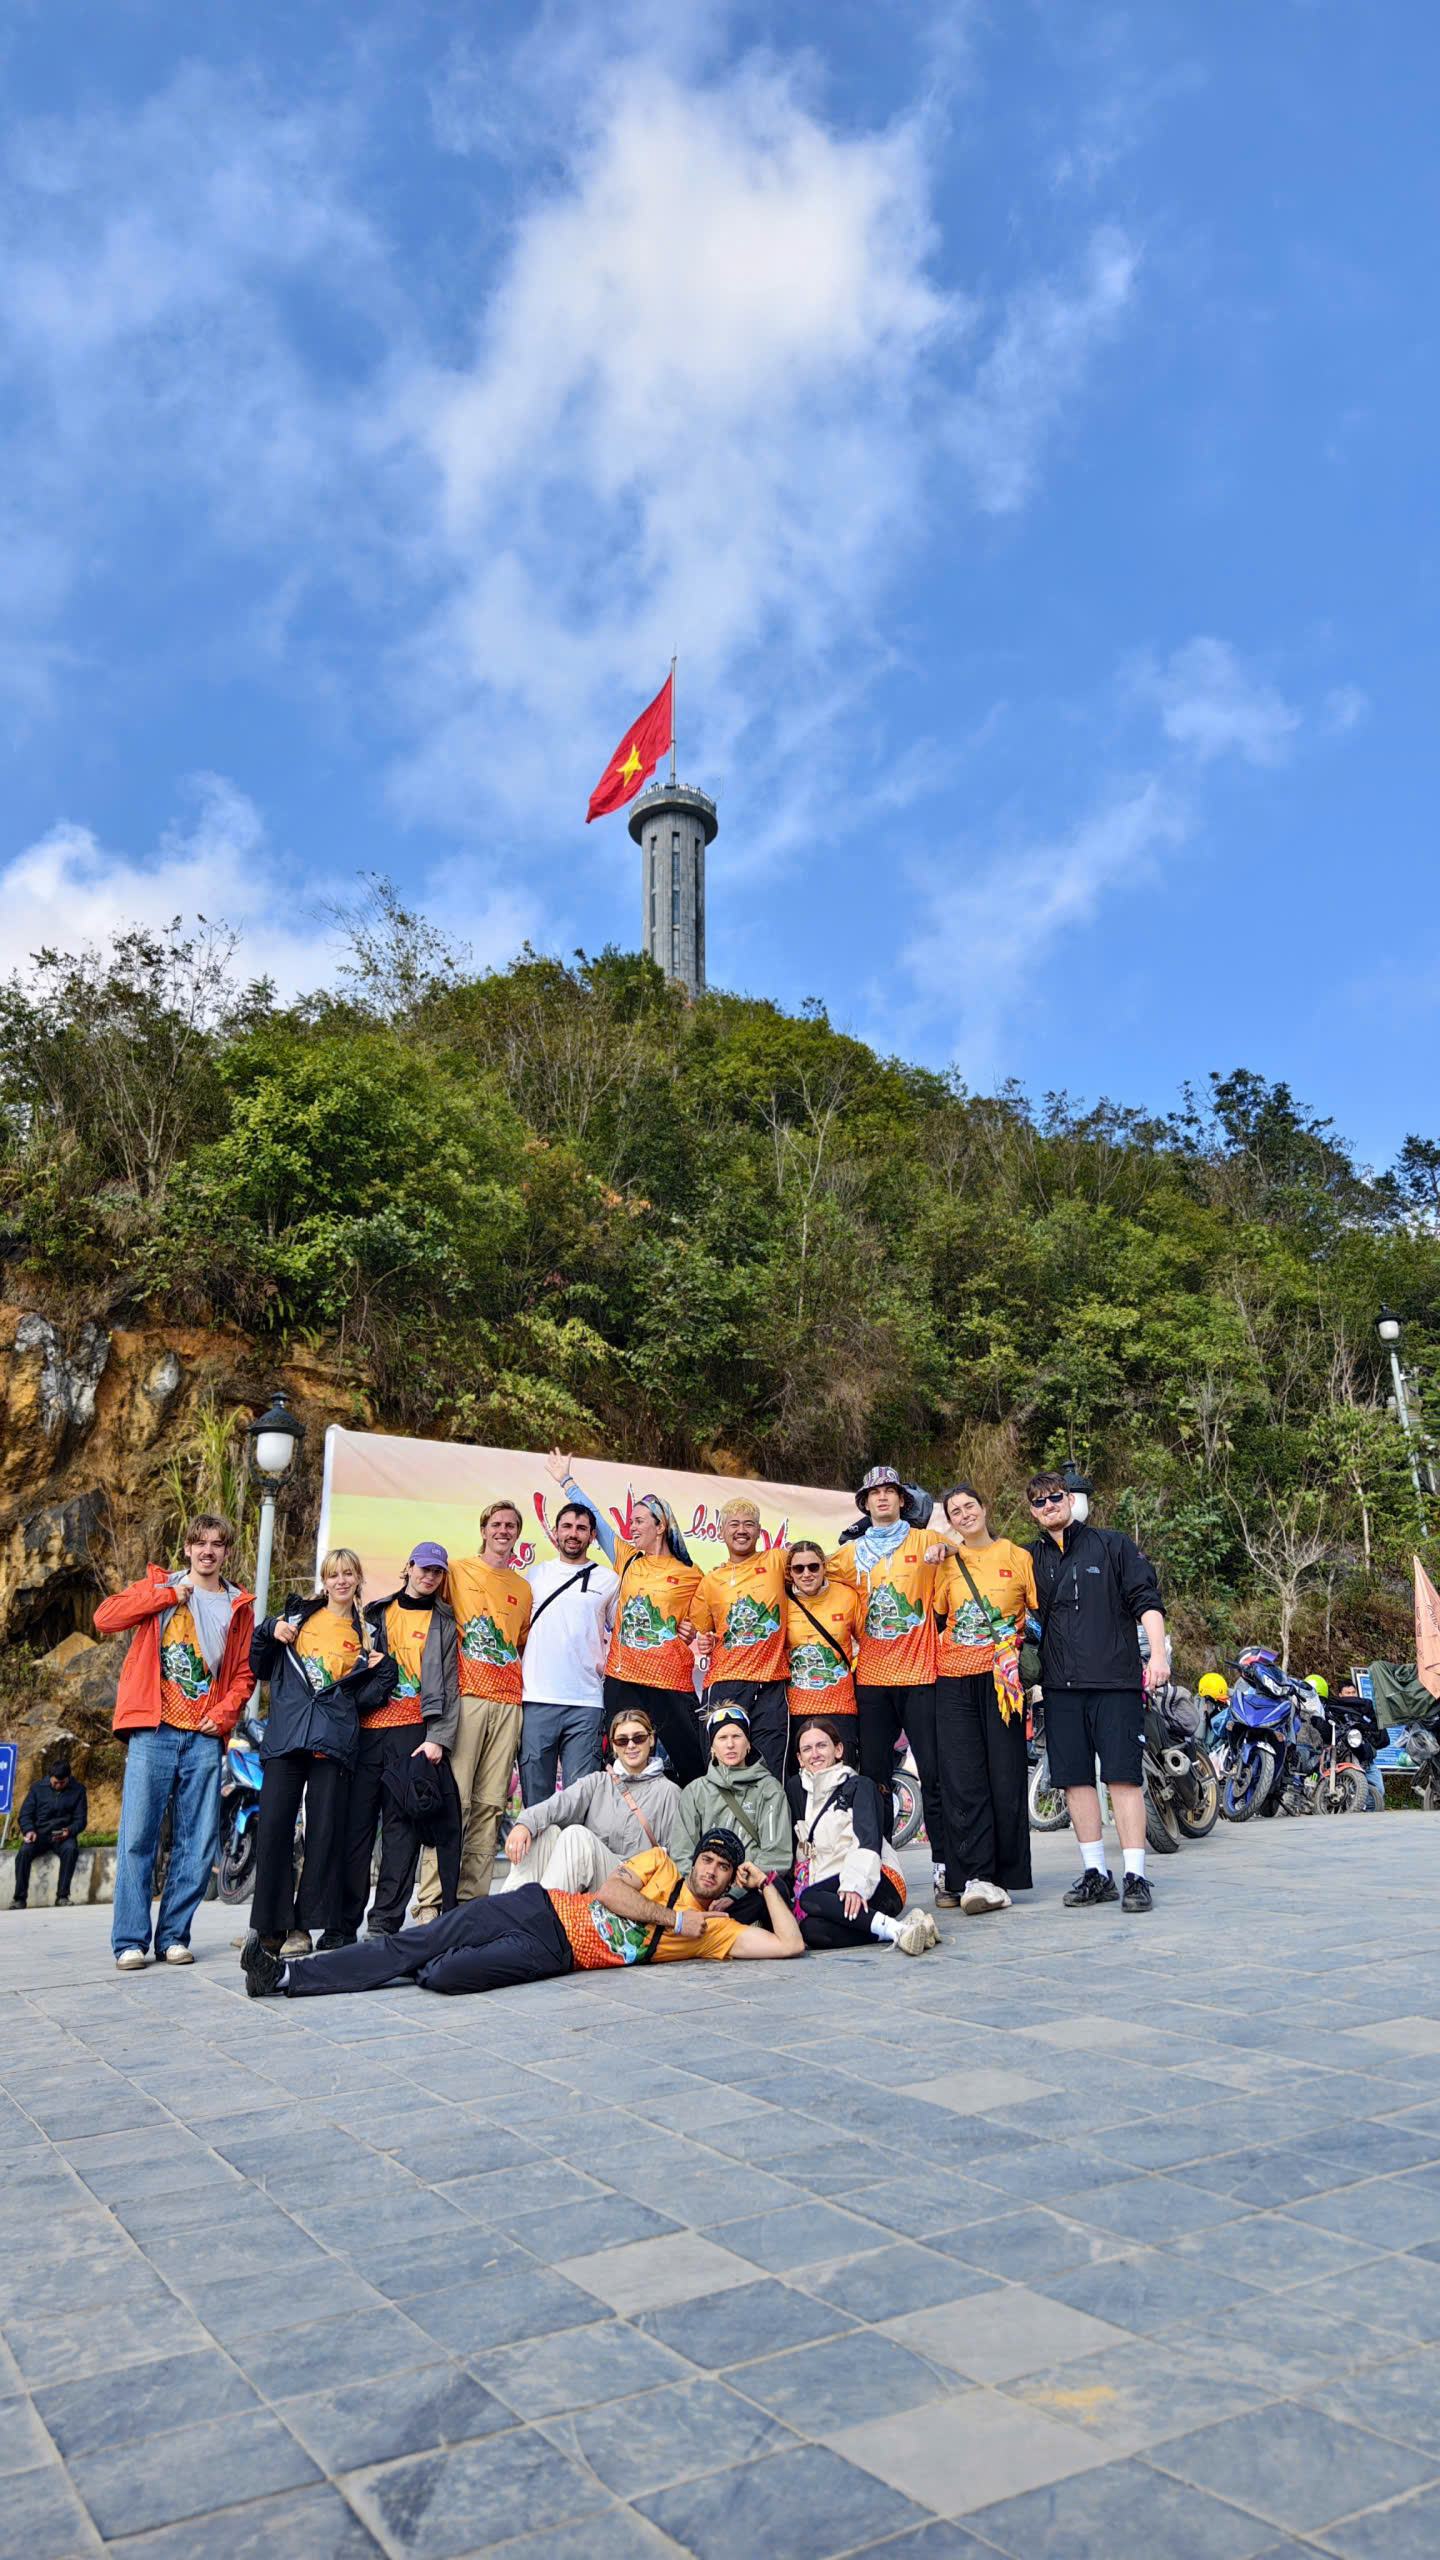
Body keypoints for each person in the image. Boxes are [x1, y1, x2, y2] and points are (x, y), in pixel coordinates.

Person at [240, 1828, 804, 1998]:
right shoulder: (660, 1864)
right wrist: (672, 1918)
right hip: (539, 1906)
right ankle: (285, 1976)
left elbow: (789, 1947)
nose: (709, 1871)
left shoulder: (717, 1931)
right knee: (419, 1943)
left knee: (443, 1976)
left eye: (722, 1869)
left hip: (554, 1953)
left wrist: (768, 1884)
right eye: (706, 1859)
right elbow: (610, 1894)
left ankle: (400, 1964)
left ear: (731, 1879)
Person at [97, 1514, 255, 1972]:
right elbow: (106, 1618)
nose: (208, 1551)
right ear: (187, 1549)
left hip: (204, 1736)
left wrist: (224, 1715)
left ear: (227, 1552)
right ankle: (129, 1940)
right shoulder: (162, 1587)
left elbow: (243, 1674)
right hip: (153, 1729)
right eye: (200, 1543)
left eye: (217, 1544)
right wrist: (167, 1594)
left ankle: (173, 1936)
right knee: (138, 1837)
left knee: (198, 1840)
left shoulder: (238, 1605)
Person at [1025, 1468, 1169, 1915]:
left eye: (1056, 1498)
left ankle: (1135, 1875)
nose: (1049, 1506)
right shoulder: (1028, 1558)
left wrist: (1158, 1656)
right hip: (1060, 1687)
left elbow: (1146, 1600)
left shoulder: (1113, 1545)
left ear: (1070, 1500)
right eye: (1040, 1502)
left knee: (1123, 1777)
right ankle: (1095, 1873)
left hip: (1116, 1681)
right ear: (1032, 1512)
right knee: (1073, 1781)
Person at [247, 1550, 396, 1959]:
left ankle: (302, 1927)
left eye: (349, 1573)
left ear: (359, 1578)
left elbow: (365, 1698)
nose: (341, 1581)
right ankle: (269, 1927)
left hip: (332, 1741)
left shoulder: (368, 1633)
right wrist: (267, 1631)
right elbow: (258, 1665)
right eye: (334, 1574)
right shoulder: (296, 1617)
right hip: (286, 1737)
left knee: (324, 1834)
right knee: (274, 1828)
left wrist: (379, 1672)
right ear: (325, 1580)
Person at [553, 1459, 706, 1784]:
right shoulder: (628, 1558)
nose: (631, 1527)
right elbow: (598, 1522)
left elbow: (706, 1619)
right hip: (624, 1680)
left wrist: (691, 1627)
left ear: (660, 1525)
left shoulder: (691, 1575)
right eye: (630, 1522)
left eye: (638, 1521)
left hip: (670, 1683)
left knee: (693, 1765)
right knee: (619, 1767)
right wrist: (567, 1482)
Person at [338, 1544, 460, 1942]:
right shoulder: (374, 1613)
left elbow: (451, 1685)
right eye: (423, 1569)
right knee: (355, 1828)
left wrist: (438, 1737)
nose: (429, 1577)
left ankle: (384, 1922)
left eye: (437, 1572)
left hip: (413, 1735)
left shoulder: (444, 1620)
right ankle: (343, 1923)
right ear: (407, 1568)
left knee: (402, 1832)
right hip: (369, 1732)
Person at [416, 1503, 533, 1917]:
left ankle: (470, 1903)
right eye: (497, 1524)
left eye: (511, 1526)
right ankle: (430, 1903)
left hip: (509, 1704)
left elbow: (518, 1644)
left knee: (489, 1807)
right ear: (483, 1529)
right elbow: (422, 1602)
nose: (503, 1531)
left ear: (518, 1534)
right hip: (466, 1699)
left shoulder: (523, 1586)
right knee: (454, 1801)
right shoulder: (458, 1571)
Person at [930, 1484, 1037, 1915]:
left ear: (985, 1507)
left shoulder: (1017, 1556)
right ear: (950, 1520)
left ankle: (1001, 1876)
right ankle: (971, 1875)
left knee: (1006, 1775)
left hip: (1003, 1681)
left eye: (969, 1506)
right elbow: (937, 1616)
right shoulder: (946, 1560)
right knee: (962, 1778)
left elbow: (1039, 1613)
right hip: (953, 1678)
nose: (963, 1515)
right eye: (954, 1511)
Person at [846, 1464, 945, 1902]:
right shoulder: (849, 1555)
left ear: (904, 1499)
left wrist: (949, 1554)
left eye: (890, 1492)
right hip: (870, 1681)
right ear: (864, 1503)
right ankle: (881, 1870)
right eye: (874, 1493)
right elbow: (803, 1577)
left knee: (935, 1775)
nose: (882, 1498)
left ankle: (946, 1867)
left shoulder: (928, 1542)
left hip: (921, 1675)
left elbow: (966, 1559)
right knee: (874, 1778)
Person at [786, 1716, 936, 1954]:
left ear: (838, 1749)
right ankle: (901, 1929)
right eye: (807, 1749)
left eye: (822, 1745)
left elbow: (868, 1842)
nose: (814, 1754)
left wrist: (854, 1886)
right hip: (828, 1889)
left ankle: (896, 1930)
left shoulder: (860, 1786)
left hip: (875, 1879)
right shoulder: (796, 1790)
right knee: (811, 1930)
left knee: (809, 1897)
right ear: (799, 1758)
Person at [517, 1461, 621, 1802]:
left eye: (581, 1527)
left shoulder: (609, 1580)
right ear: (555, 1532)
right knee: (536, 1797)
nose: (573, 1533)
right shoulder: (534, 1576)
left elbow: (626, 1632)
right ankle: (533, 1858)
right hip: (536, 1700)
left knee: (579, 1798)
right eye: (567, 1526)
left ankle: (574, 1857)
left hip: (586, 1703)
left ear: (592, 1535)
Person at [498, 1703, 680, 1893]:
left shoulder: (669, 1792)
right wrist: (525, 1824)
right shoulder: (599, 1782)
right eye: (622, 1741)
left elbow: (673, 1858)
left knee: (576, 1835)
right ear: (614, 1747)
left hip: (634, 1883)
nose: (631, 1745)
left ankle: (542, 1913)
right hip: (595, 1874)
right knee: (544, 1832)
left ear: (651, 1740)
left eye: (639, 1738)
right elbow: (560, 1804)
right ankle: (508, 1909)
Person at [686, 1498, 794, 1781]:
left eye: (749, 1524)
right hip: (724, 1684)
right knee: (722, 1770)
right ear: (721, 1532)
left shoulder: (777, 1561)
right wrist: (702, 1638)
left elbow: (816, 1567)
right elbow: (700, 1629)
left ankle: (768, 1826)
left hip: (772, 1683)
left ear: (759, 1532)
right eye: (733, 1524)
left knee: (770, 1771)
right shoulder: (710, 1581)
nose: (741, 1530)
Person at [671, 1704, 793, 1922]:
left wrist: (735, 1893)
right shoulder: (695, 1791)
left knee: (775, 1888)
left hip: (748, 1892)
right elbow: (682, 1853)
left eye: (736, 1736)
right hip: (705, 1890)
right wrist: (701, 1894)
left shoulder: (769, 1789)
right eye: (722, 1737)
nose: (730, 1744)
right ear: (712, 1748)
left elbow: (777, 1855)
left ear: (748, 1744)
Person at [784, 1541, 863, 1731]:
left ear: (824, 1567)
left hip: (840, 1705)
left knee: (842, 1760)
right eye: (798, 1568)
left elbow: (868, 1642)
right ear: (790, 1572)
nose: (806, 1574)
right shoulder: (780, 1600)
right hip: (796, 1708)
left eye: (813, 1567)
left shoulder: (847, 1596)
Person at [12, 1756, 88, 1908]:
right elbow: (25, 1814)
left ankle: (62, 1896)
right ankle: (19, 1899)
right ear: (49, 1778)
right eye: (55, 1782)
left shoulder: (78, 1790)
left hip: (63, 1835)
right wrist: (29, 1831)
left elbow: (81, 1820)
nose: (58, 1785)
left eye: (62, 1782)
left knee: (71, 1849)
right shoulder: (37, 1788)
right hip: (39, 1833)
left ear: (69, 1778)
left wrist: (70, 1831)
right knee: (24, 1852)